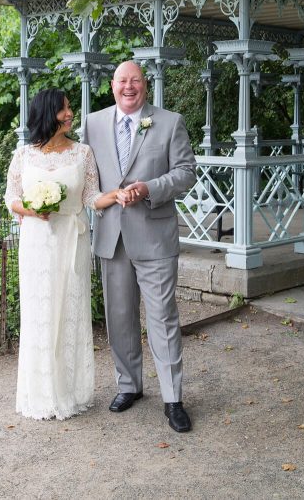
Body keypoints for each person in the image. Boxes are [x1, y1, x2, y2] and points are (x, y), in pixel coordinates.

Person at [83, 61, 198, 433]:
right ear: (112, 86)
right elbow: (84, 179)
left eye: (135, 80)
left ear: (145, 85)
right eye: (122, 81)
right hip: (111, 237)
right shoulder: (93, 123)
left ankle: (173, 399)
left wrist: (149, 188)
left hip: (155, 236)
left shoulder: (169, 122)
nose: (128, 87)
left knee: (163, 318)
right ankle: (129, 385)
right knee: (119, 318)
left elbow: (186, 173)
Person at [4, 89, 120, 420]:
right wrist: (29, 207)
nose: (70, 114)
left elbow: (91, 196)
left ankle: (70, 392)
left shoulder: (82, 153)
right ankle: (40, 393)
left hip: (72, 240)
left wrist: (116, 195)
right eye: (64, 110)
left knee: (70, 310)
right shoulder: (24, 155)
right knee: (39, 314)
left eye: (70, 108)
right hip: (36, 243)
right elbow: (10, 197)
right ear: (47, 114)